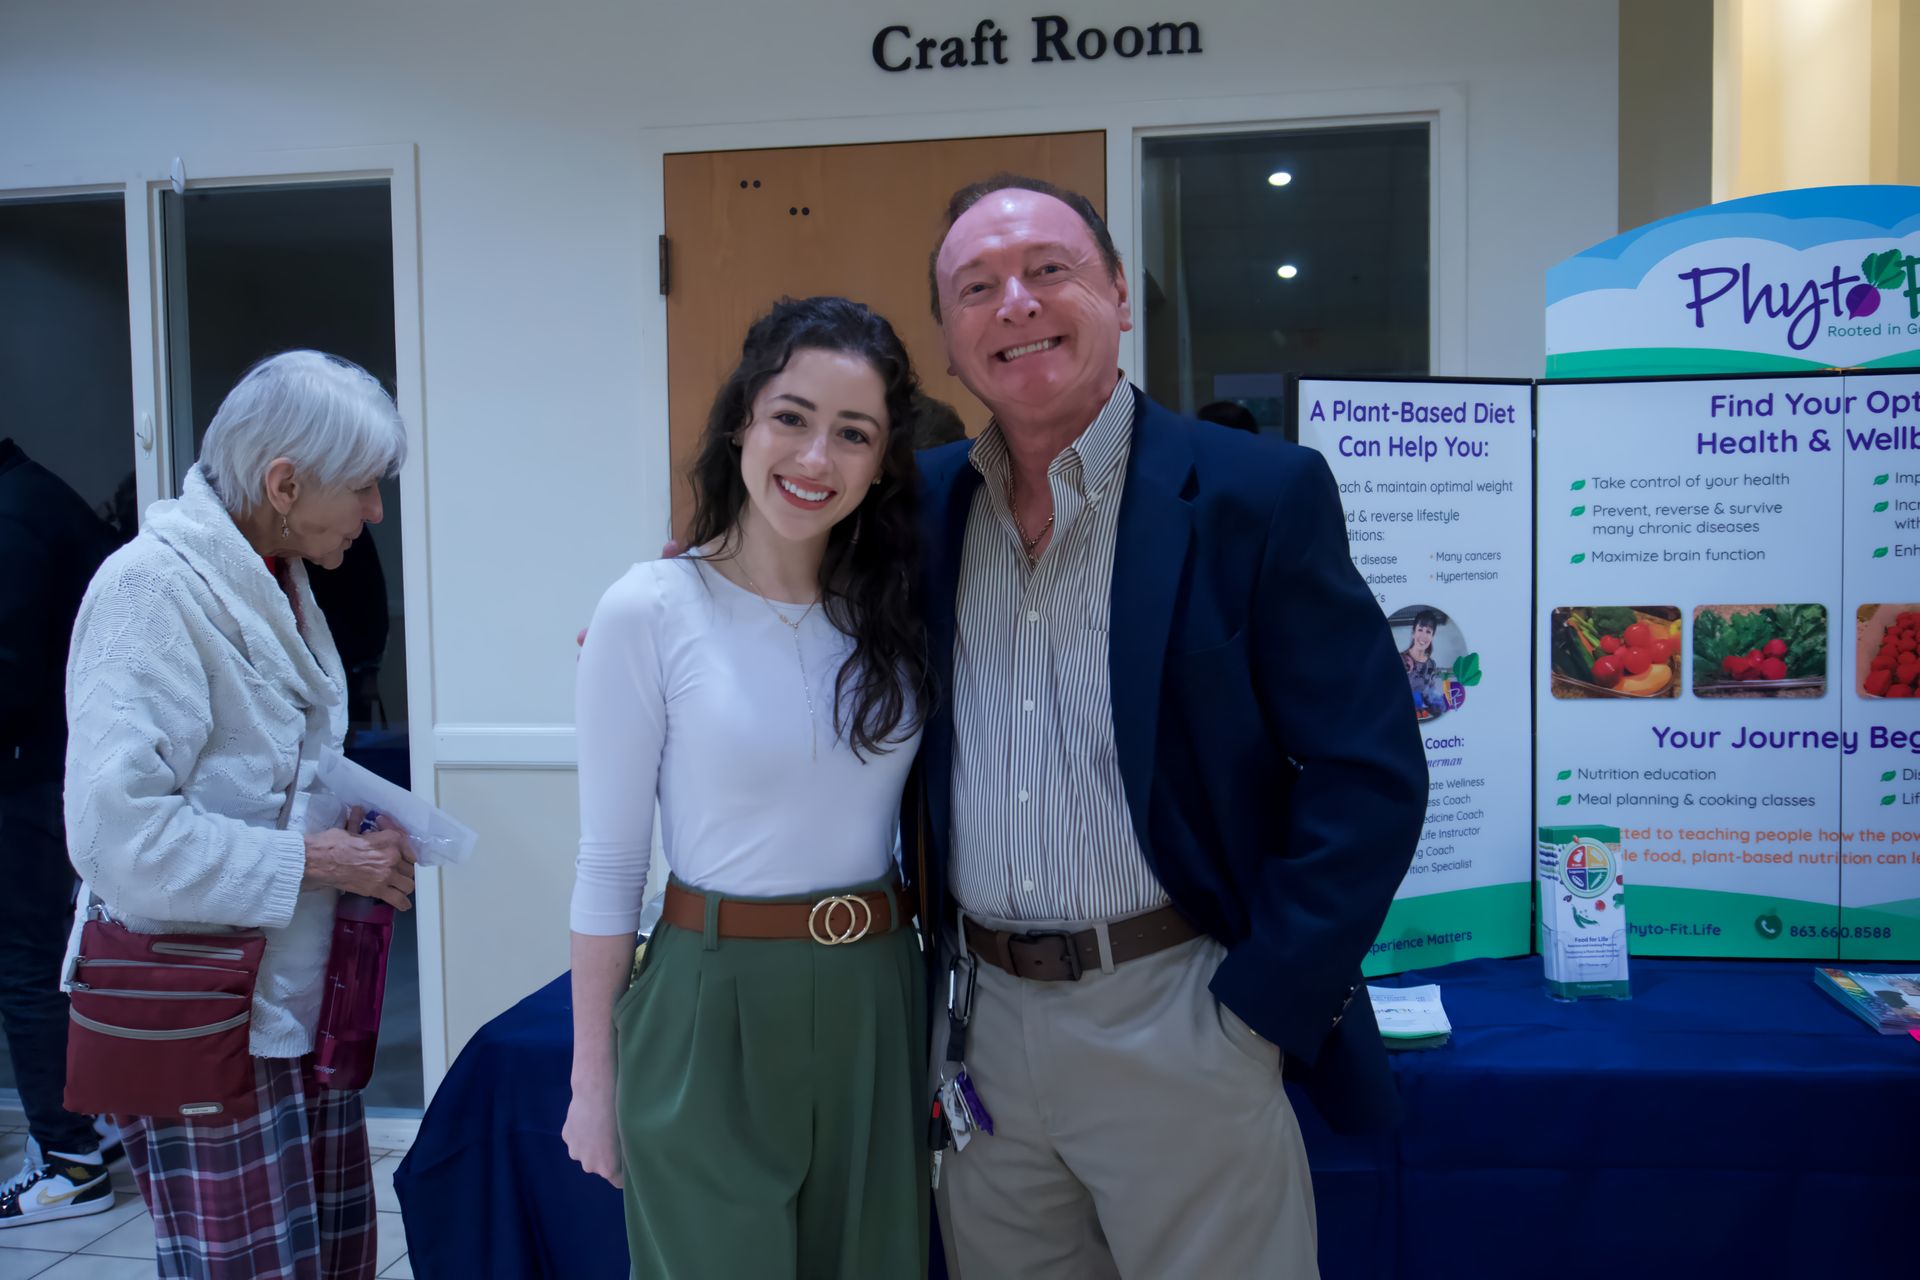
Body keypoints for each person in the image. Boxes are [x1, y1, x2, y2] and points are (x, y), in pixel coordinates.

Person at [915, 175, 1427, 1278]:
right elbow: (774, 569)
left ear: (1114, 292)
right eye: (976, 286)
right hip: (980, 1030)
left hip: (1180, 1009)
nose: (1016, 302)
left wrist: (1256, 1011)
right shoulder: (915, 512)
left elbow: (1367, 770)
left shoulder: (1257, 493)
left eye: (1049, 269)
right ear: (950, 344)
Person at [565, 296, 932, 1278]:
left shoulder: (895, 614)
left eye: (853, 433)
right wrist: (589, 1081)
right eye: (792, 417)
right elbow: (608, 863)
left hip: (878, 990)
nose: (817, 458)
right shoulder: (649, 606)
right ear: (741, 422)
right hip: (708, 994)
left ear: (883, 462)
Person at [61, 351, 415, 1278]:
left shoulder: (280, 579)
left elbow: (276, 772)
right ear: (285, 483)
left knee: (329, 1258)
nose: (376, 512)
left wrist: (365, 835)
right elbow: (118, 836)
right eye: (364, 488)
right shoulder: (149, 592)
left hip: (293, 998)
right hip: (200, 1007)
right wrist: (322, 863)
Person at [0, 437, 121, 1229]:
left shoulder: (15, 517)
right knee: (59, 958)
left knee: (29, 966)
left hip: (33, 773)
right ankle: (90, 1126)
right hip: (59, 767)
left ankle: (69, 1158)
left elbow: (11, 674)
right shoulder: (42, 496)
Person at [1403, 609, 1444, 714]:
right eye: (1420, 629)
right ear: (1413, 633)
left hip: (1421, 715)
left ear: (1432, 637)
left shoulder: (1431, 664)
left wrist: (1437, 705)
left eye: (1428, 631)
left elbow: (1429, 693)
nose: (1423, 636)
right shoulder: (1400, 659)